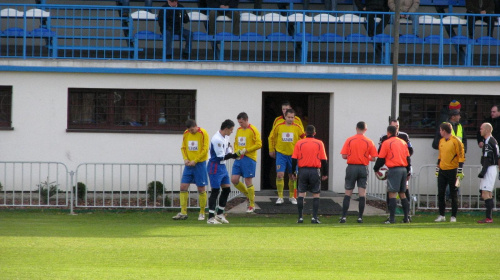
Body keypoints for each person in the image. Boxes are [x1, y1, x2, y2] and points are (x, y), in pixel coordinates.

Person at [339, 121, 378, 223]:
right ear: (365, 129)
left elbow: (343, 155)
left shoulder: (350, 140)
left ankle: (343, 217)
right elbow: (374, 158)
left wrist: (352, 156)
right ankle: (360, 217)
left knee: (348, 192)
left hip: (351, 167)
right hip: (363, 168)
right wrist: (365, 157)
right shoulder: (369, 141)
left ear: (356, 128)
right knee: (362, 193)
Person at [173, 119, 209, 221]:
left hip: (200, 164)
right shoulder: (186, 133)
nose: (191, 132)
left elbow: (205, 149)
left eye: (193, 130)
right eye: (189, 130)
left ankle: (202, 212)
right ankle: (183, 212)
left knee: (201, 188)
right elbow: (183, 147)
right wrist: (185, 158)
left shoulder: (203, 133)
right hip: (189, 165)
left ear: (196, 126)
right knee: (183, 186)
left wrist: (196, 160)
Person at [374, 125, 412, 224]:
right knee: (402, 194)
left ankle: (391, 219)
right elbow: (408, 158)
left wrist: (376, 169)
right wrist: (408, 171)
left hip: (394, 169)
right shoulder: (403, 142)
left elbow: (381, 158)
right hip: (404, 169)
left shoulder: (386, 143)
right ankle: (406, 218)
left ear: (388, 133)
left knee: (392, 194)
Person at [291, 125, 328, 224]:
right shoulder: (319, 143)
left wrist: (293, 172)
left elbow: (294, 159)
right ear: (314, 133)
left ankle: (300, 218)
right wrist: (325, 173)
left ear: (305, 133)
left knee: (301, 193)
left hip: (302, 170)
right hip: (315, 170)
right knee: (316, 194)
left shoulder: (299, 143)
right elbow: (324, 160)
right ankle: (314, 218)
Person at [268, 109, 305, 205]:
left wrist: (301, 151)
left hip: (293, 155)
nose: (290, 119)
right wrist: (271, 149)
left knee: (292, 176)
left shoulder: (297, 127)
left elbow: (303, 138)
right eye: (289, 117)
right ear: (285, 116)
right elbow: (271, 137)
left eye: (292, 117)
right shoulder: (278, 126)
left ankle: (292, 196)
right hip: (281, 154)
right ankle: (280, 197)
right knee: (280, 174)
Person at [207, 119, 240, 224]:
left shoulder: (226, 137)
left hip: (222, 167)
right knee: (215, 191)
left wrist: (232, 153)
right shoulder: (217, 139)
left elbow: (228, 150)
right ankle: (210, 217)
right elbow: (221, 156)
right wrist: (234, 155)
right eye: (231, 129)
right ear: (226, 129)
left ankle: (220, 214)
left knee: (227, 190)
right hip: (215, 166)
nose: (232, 132)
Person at [231, 112, 262, 213]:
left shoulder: (253, 130)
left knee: (248, 181)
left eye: (242, 122)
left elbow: (259, 144)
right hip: (239, 158)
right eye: (239, 123)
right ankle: (248, 195)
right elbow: (236, 142)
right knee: (234, 179)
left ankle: (251, 205)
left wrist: (246, 150)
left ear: (246, 120)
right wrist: (236, 151)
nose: (240, 125)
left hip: (249, 158)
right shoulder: (239, 130)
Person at [435, 122, 465, 223]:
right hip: (442, 170)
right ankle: (442, 215)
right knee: (440, 193)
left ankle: (453, 216)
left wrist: (460, 169)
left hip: (453, 170)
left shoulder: (456, 140)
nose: (439, 132)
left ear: (444, 131)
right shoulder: (441, 141)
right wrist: (438, 167)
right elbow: (440, 155)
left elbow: (461, 155)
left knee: (453, 194)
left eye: (440, 130)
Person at [477, 123, 500, 223]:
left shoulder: (488, 142)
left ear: (487, 130)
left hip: (489, 169)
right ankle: (489, 217)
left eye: (481, 129)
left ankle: (489, 218)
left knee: (486, 193)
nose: (480, 130)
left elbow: (488, 158)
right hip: (492, 168)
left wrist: (483, 171)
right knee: (487, 193)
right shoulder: (492, 140)